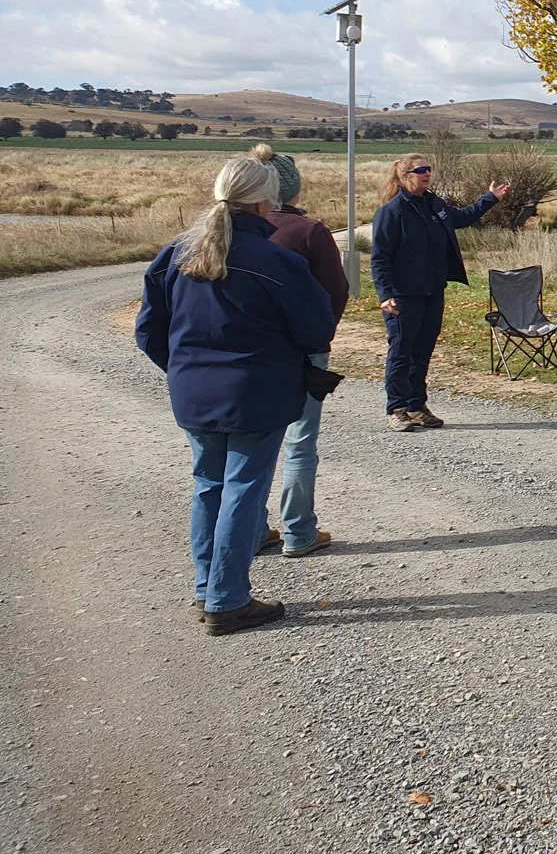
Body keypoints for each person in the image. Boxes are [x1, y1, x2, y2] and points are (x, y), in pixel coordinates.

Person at [135, 156, 337, 635]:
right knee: (244, 486)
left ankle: (207, 589)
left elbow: (149, 331)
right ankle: (227, 600)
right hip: (257, 392)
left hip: (193, 391)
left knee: (209, 484)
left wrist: (184, 370)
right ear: (266, 203)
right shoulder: (278, 262)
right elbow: (316, 329)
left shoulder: (176, 254)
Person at [252, 145, 348, 558]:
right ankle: (298, 530)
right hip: (304, 353)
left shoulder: (229, 232)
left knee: (251, 444)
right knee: (299, 441)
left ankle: (252, 528)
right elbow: (335, 293)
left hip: (250, 353)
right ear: (293, 189)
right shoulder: (309, 232)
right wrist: (318, 338)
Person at [369, 156, 508, 432]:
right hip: (403, 295)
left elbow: (462, 218)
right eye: (421, 170)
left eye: (429, 169)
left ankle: (416, 406)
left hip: (432, 291)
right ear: (405, 176)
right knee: (401, 352)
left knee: (422, 352)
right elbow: (379, 258)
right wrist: (385, 294)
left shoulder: (434, 204)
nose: (427, 174)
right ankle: (397, 408)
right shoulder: (392, 211)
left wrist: (490, 198)